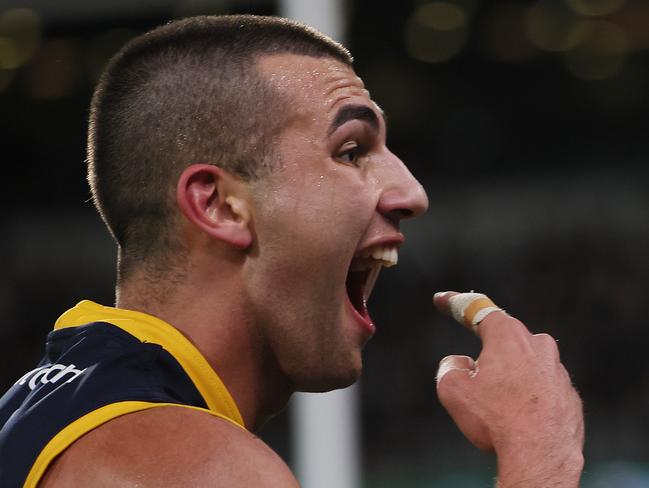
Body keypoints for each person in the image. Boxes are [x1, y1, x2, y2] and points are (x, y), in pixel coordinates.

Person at [0, 15, 583, 487]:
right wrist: (540, 458)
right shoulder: (201, 469)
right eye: (351, 151)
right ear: (220, 206)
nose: (412, 193)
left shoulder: (43, 420)